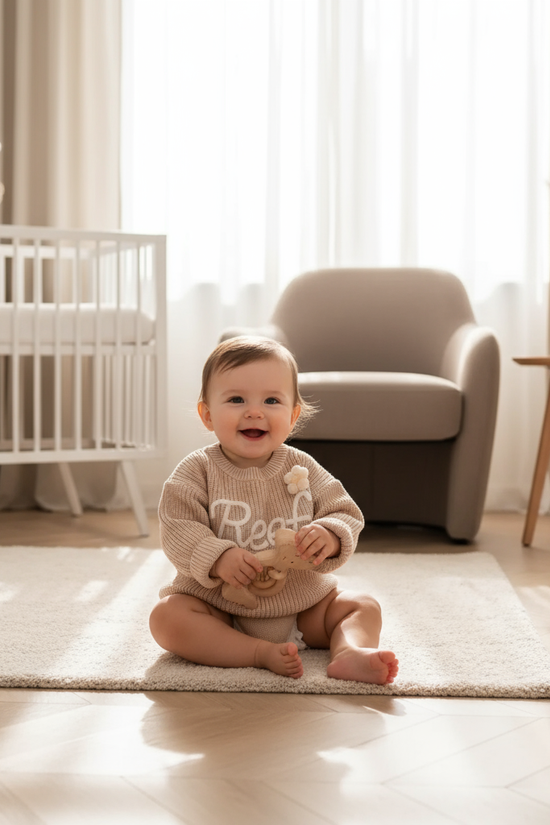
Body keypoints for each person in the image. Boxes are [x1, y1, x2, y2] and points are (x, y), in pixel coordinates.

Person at [150, 336, 399, 684]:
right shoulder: (196, 471)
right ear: (207, 415)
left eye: (271, 400)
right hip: (220, 609)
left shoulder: (303, 466)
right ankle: (254, 652)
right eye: (236, 399)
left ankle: (349, 652)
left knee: (363, 605)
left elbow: (345, 512)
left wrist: (328, 534)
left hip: (303, 608)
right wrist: (218, 557)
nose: (255, 411)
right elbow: (178, 527)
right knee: (166, 617)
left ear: (293, 415)